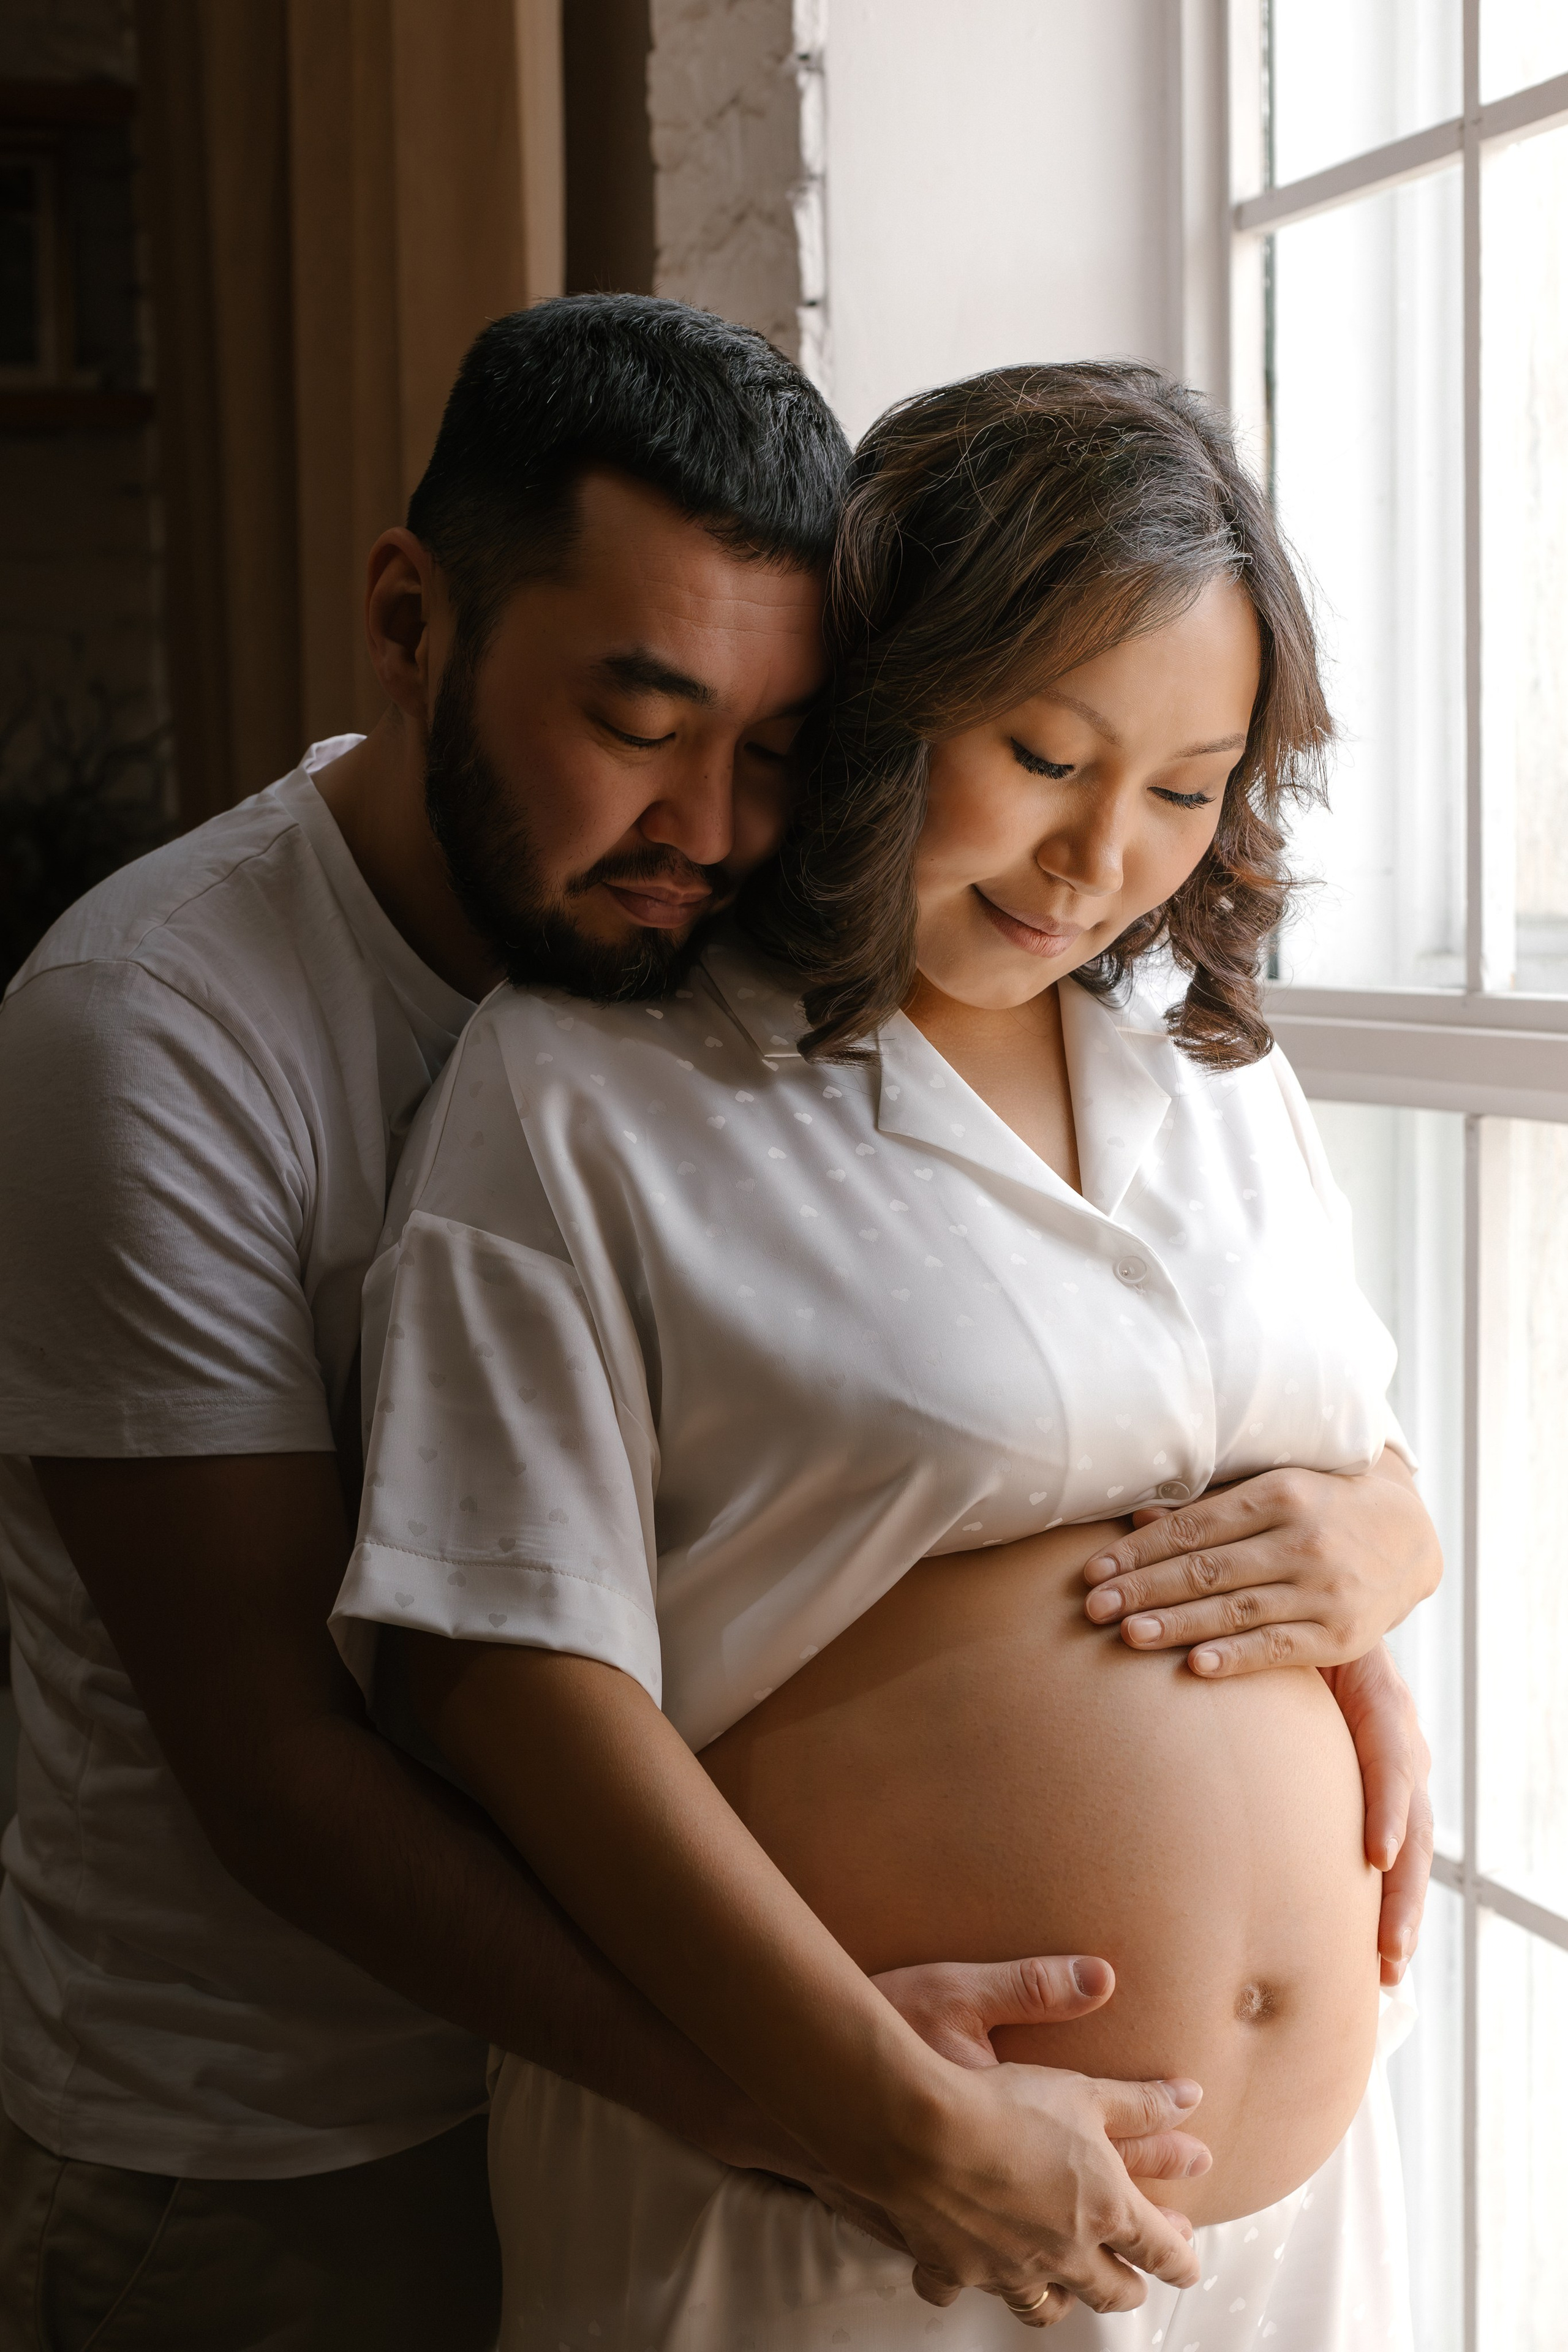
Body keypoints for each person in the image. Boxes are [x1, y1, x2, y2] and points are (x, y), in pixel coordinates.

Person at [0, 301, 1431, 2345]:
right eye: (642, 727)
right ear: (409, 628)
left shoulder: (1154, 1061)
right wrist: (827, 2103)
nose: (713, 828)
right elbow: (316, 1740)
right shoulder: (191, 1036)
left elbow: (1276, 1431)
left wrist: (1381, 1552)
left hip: (1148, 2206)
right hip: (280, 2118)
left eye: (771, 748)